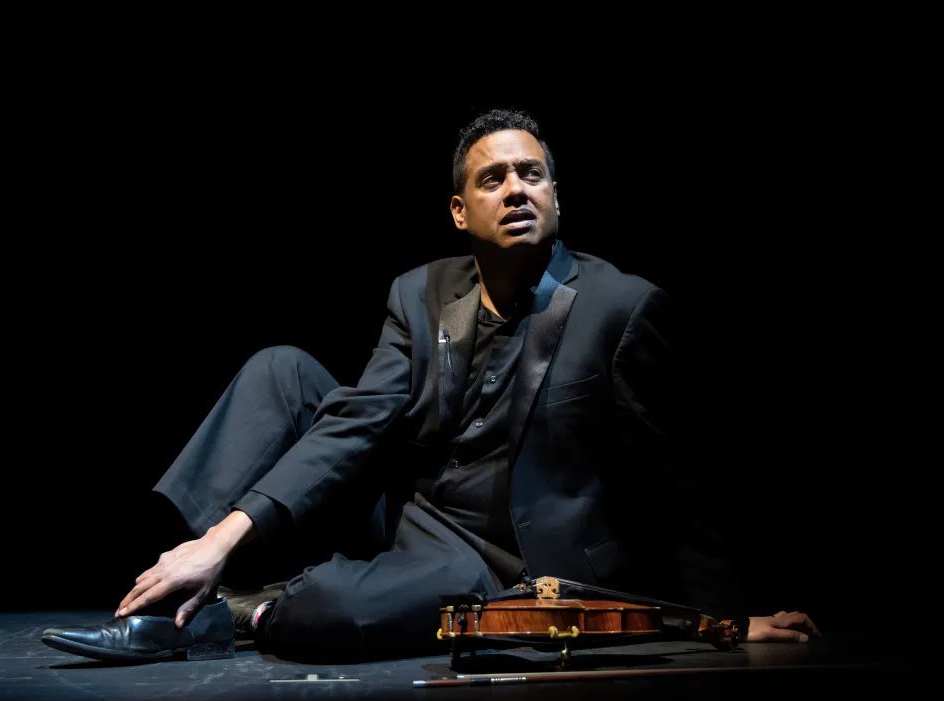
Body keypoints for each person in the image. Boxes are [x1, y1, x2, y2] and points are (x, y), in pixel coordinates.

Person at [41, 109, 819, 663]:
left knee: (334, 611)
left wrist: (722, 619)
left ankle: (241, 612)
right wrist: (218, 539)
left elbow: (675, 480)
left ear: (556, 196)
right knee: (280, 370)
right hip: (406, 516)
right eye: (494, 178)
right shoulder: (419, 292)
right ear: (459, 210)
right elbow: (354, 424)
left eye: (532, 174)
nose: (516, 189)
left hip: (496, 560)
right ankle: (175, 588)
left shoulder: (622, 307)